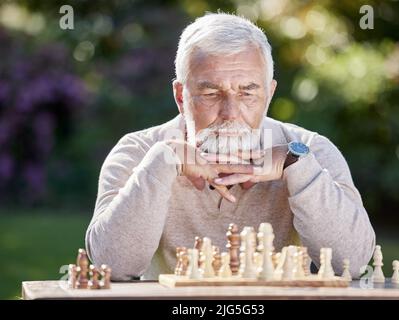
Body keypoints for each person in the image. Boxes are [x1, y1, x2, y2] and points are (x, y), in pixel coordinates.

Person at [85, 13, 375, 280]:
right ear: (181, 96)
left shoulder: (311, 150)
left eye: (248, 92)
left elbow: (353, 263)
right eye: (211, 92)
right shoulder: (138, 152)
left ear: (269, 93)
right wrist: (163, 161)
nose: (230, 112)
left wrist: (296, 165)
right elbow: (111, 267)